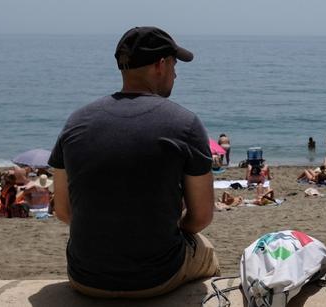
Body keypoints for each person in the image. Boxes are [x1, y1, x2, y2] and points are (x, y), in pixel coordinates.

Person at [49, 26, 216, 298]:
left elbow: (64, 212)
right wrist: (172, 229)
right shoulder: (185, 123)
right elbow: (201, 217)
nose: (176, 73)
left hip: (85, 277)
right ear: (160, 65)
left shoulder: (76, 121)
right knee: (206, 250)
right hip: (156, 278)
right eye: (174, 64)